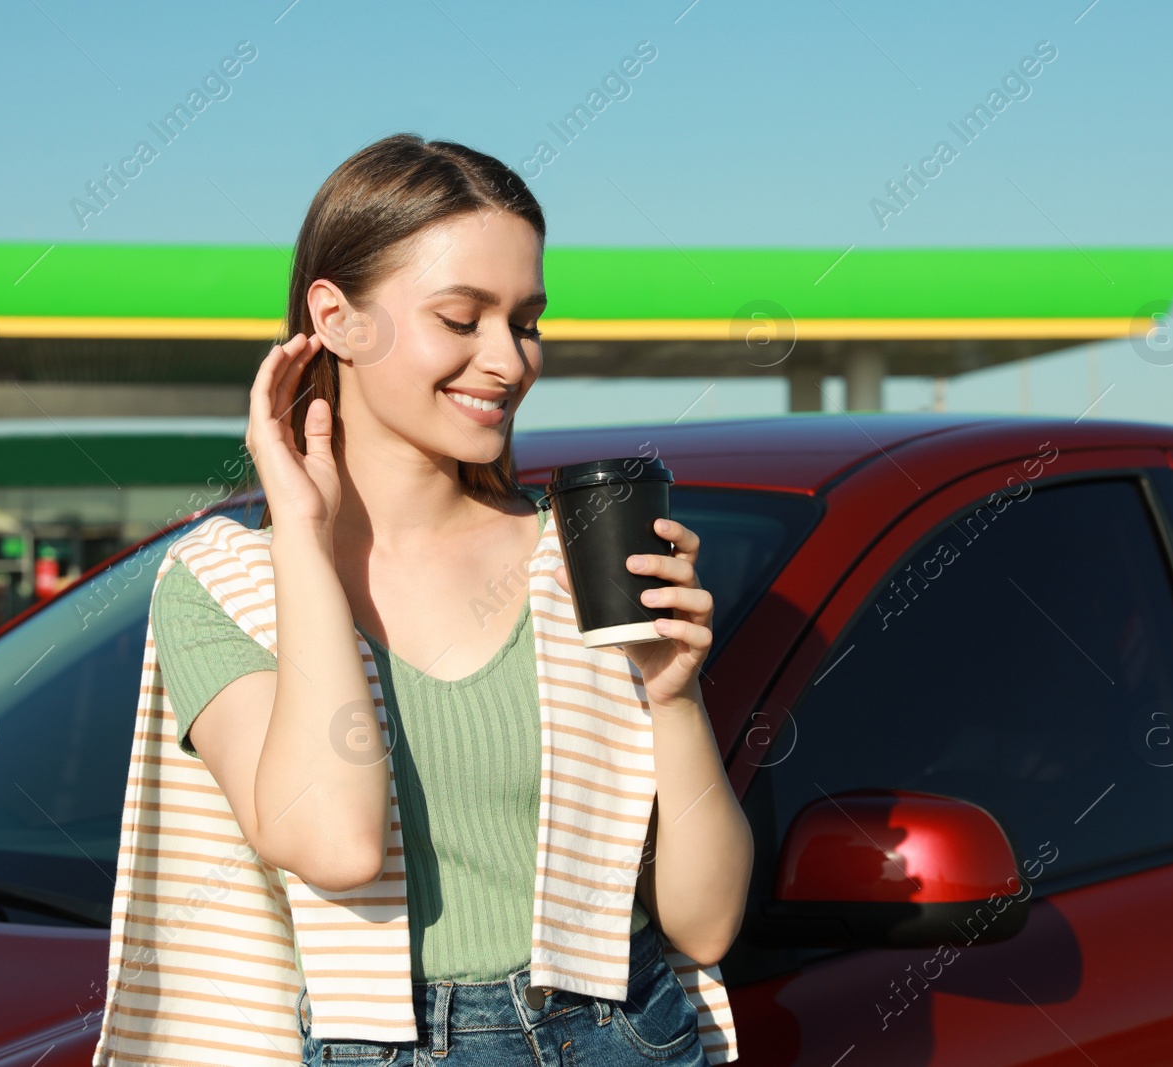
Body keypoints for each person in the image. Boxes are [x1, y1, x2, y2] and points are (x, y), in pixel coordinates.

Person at [148, 133, 751, 1065]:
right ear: (338, 319)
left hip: (626, 1031)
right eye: (463, 319)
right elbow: (336, 841)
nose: (508, 362)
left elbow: (705, 926)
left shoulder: (580, 556)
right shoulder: (223, 583)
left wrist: (675, 698)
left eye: (527, 321)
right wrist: (305, 539)